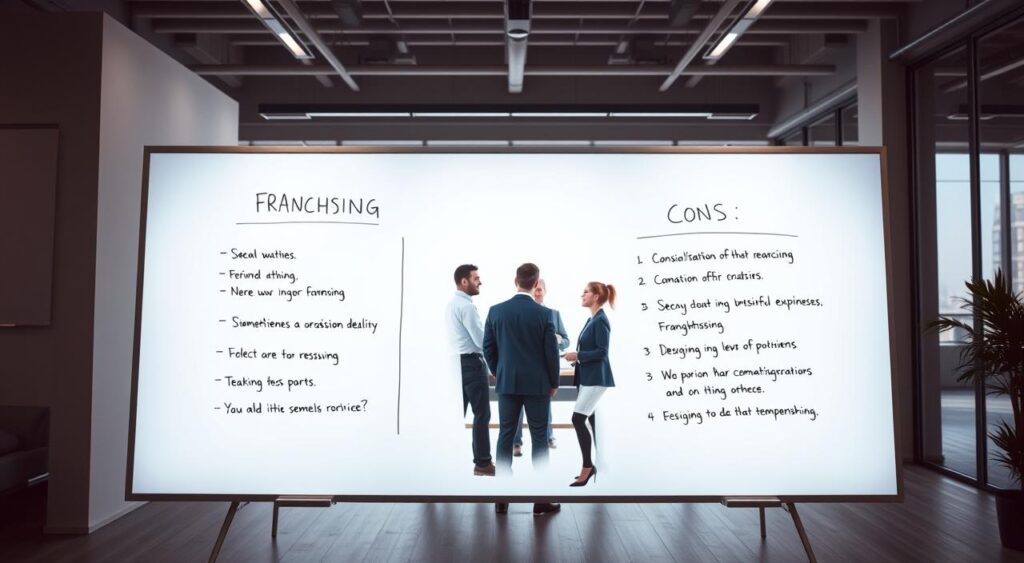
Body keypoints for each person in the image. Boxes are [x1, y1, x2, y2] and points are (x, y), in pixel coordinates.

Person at [483, 263, 561, 516]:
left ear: (515, 281)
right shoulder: (544, 314)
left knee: (505, 435)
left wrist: (498, 371)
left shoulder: (496, 311)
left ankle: (502, 499)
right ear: (536, 283)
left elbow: (488, 348)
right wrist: (553, 382)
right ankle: (540, 501)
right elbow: (551, 353)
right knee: (539, 437)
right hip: (538, 385)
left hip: (507, 383)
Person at [563, 282, 616, 487]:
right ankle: (599, 467)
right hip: (588, 378)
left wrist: (578, 355)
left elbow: (602, 352)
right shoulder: (591, 319)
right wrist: (576, 357)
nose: (581, 294)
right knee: (591, 422)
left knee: (577, 419)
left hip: (596, 379)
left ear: (596, 296)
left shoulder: (601, 320)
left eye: (585, 292)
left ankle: (588, 466)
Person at [446, 264, 495, 477]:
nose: (480, 282)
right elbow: (480, 341)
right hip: (472, 365)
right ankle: (483, 464)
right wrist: (494, 364)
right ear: (464, 281)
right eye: (476, 278)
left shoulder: (450, 304)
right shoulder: (467, 307)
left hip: (454, 363)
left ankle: (441, 460)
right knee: (482, 414)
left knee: (455, 415)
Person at [513, 279, 569, 456]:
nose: (537, 293)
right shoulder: (521, 312)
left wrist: (557, 341)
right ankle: (517, 442)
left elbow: (566, 341)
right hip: (524, 367)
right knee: (518, 406)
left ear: (545, 291)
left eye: (540, 290)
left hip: (545, 368)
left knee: (545, 406)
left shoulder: (553, 313)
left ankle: (549, 436)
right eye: (535, 290)